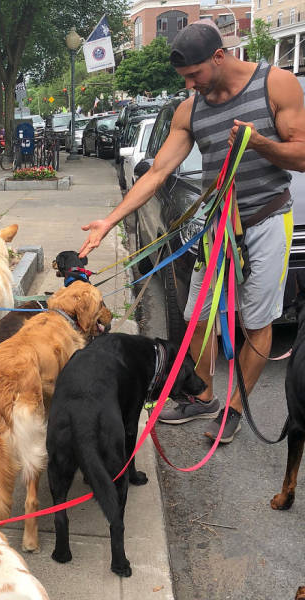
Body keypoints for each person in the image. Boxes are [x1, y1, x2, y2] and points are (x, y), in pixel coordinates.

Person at [79, 21, 305, 444]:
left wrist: (260, 144)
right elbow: (160, 171)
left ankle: (235, 408)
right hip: (218, 226)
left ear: (219, 56)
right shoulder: (191, 109)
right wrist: (109, 220)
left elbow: (302, 154)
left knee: (256, 321)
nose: (190, 84)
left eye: (194, 74)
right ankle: (203, 397)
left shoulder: (277, 83)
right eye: (184, 78)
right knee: (197, 316)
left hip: (268, 218)